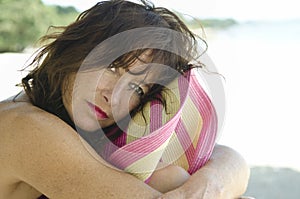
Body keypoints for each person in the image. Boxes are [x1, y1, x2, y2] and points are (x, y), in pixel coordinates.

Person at [0, 0, 250, 198]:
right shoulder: (24, 126)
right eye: (112, 67)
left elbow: (226, 157)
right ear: (75, 50)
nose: (115, 96)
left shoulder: (82, 128)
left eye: (137, 88)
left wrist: (214, 182)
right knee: (171, 179)